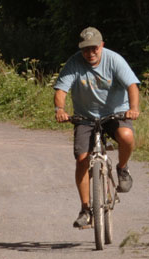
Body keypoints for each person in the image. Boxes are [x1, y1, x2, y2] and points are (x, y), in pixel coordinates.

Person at [53, 27, 140, 229]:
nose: (90, 53)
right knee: (82, 159)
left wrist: (133, 109)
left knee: (126, 136)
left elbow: (132, 86)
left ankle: (122, 168)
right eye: (85, 49)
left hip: (115, 113)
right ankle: (85, 209)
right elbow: (61, 90)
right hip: (86, 117)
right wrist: (60, 109)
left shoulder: (114, 60)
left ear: (101, 45)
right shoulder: (74, 63)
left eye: (94, 49)